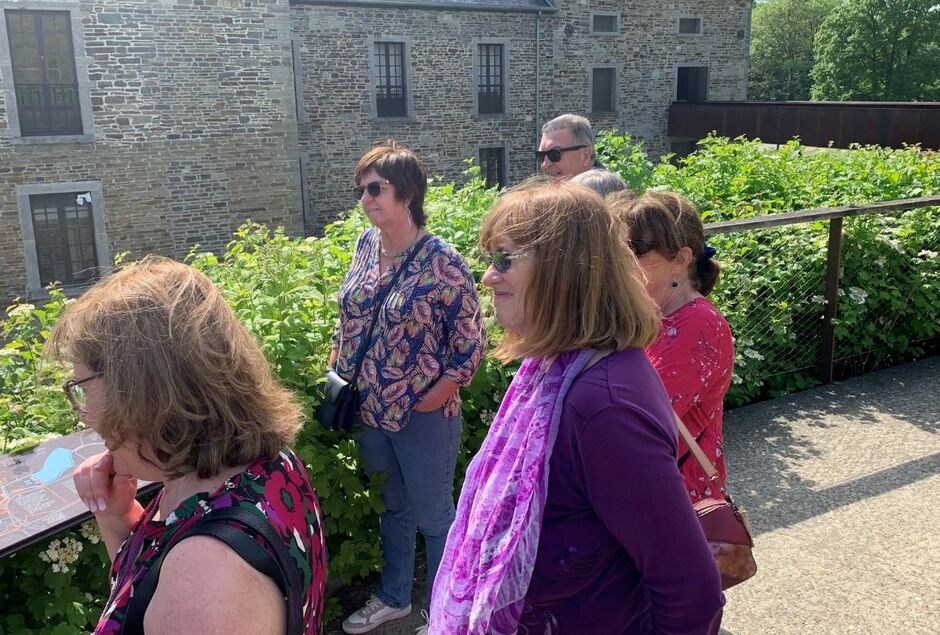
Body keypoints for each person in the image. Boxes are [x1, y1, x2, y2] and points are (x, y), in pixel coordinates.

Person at [430, 179, 723, 634]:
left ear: (562, 268)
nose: (489, 276)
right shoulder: (555, 370)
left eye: (505, 259)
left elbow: (691, 591)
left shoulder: (602, 406)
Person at [56, 257, 327, 635]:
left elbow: (189, 584)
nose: (84, 416)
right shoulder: (264, 467)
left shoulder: (208, 572)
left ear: (146, 392)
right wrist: (116, 517)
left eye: (83, 389)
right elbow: (148, 593)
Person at [333, 141, 485, 634]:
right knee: (392, 508)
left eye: (376, 188)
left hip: (421, 414)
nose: (366, 199)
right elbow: (351, 316)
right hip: (367, 409)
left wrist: (437, 394)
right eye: (362, 190)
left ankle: (445, 614)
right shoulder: (364, 247)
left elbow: (471, 341)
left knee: (434, 516)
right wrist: (338, 365)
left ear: (408, 193)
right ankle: (394, 597)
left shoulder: (442, 261)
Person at [616, 191, 735, 502]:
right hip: (658, 490)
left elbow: (640, 420)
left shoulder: (698, 324)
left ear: (680, 259)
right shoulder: (655, 314)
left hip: (681, 499)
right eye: (620, 250)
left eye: (636, 249)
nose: (624, 261)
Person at [537, 113, 600, 179]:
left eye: (554, 154)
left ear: (585, 156)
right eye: (541, 156)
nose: (545, 164)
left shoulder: (608, 188)